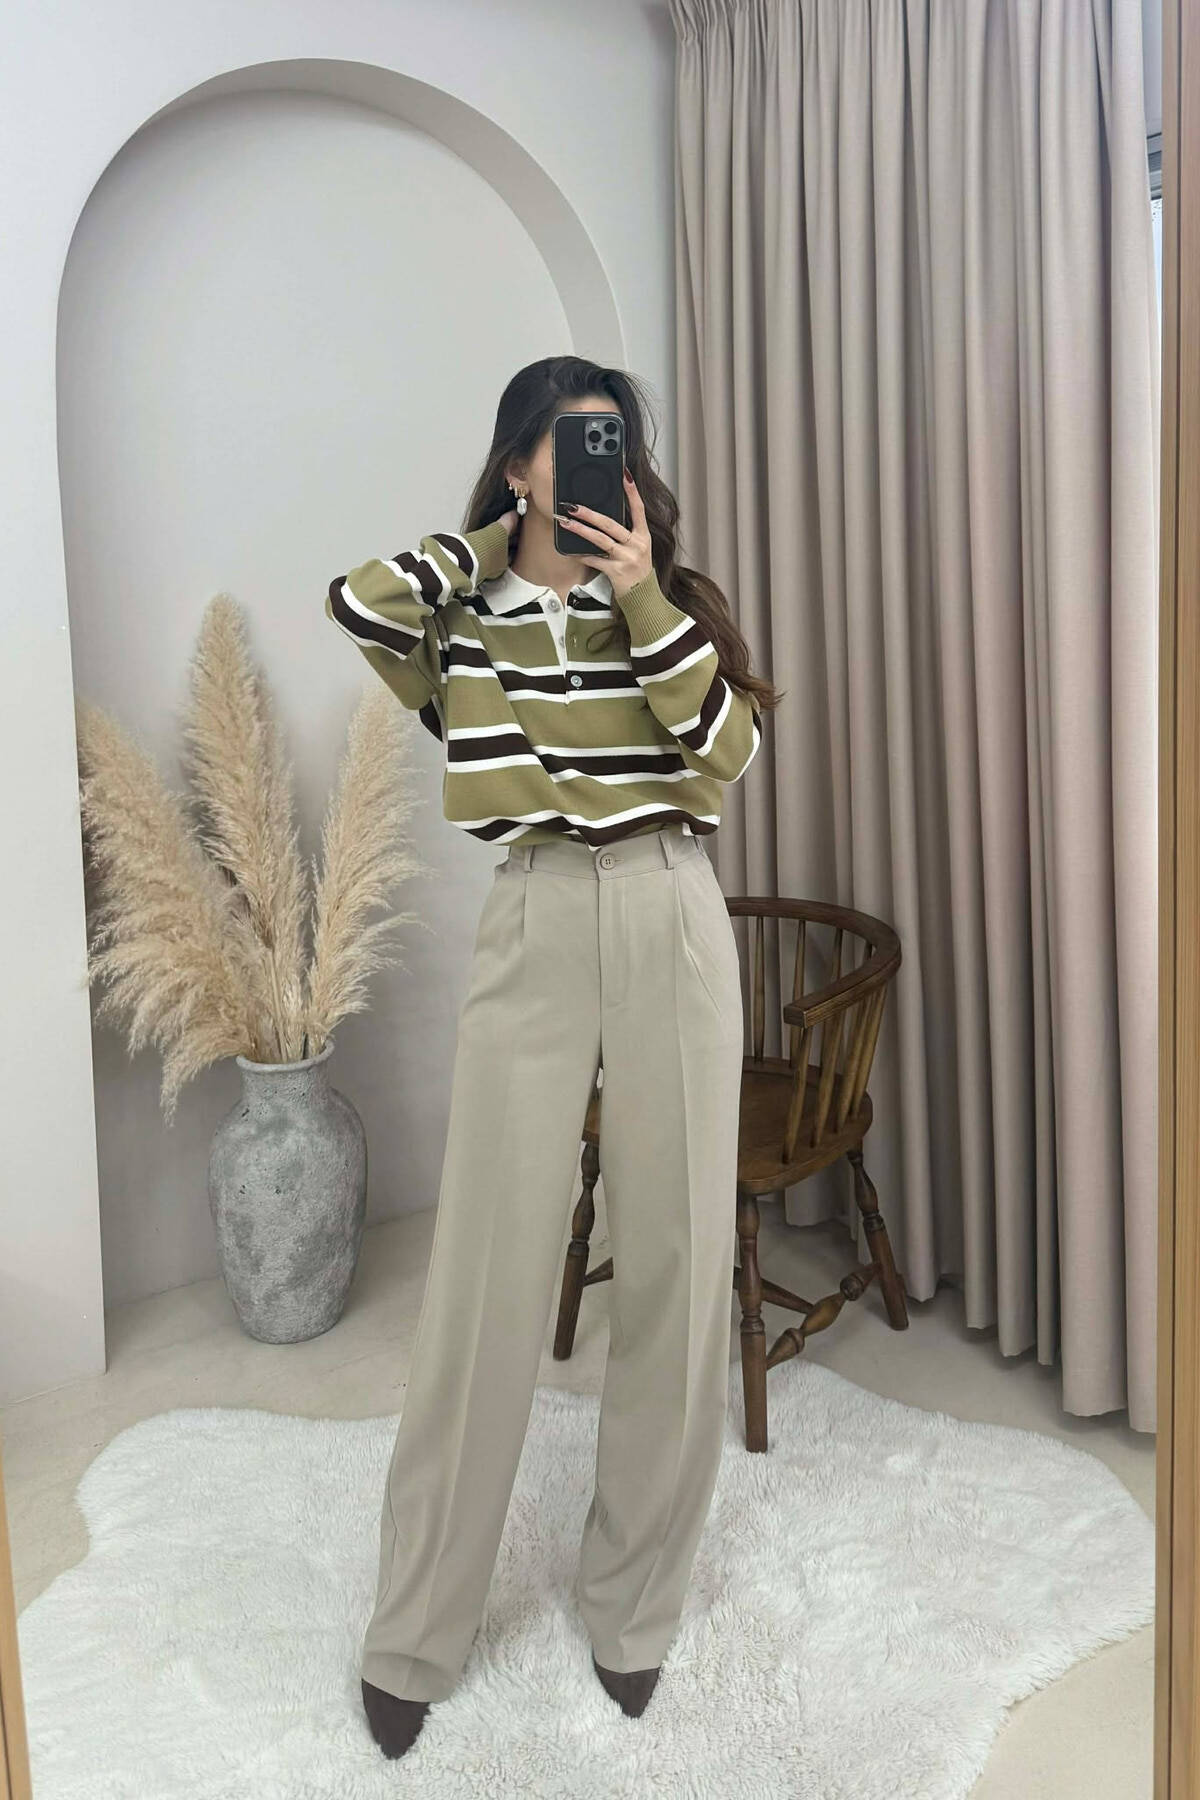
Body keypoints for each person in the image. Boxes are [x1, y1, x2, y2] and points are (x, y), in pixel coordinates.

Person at [325, 356, 778, 1760]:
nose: (603, 467)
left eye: (618, 445)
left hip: (669, 906)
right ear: (520, 460)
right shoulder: (464, 620)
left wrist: (639, 592)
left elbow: (725, 756)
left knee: (675, 1266)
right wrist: (496, 545)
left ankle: (632, 1607)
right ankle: (418, 1628)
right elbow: (360, 602)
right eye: (574, 446)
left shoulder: (672, 604)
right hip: (532, 910)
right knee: (484, 1275)